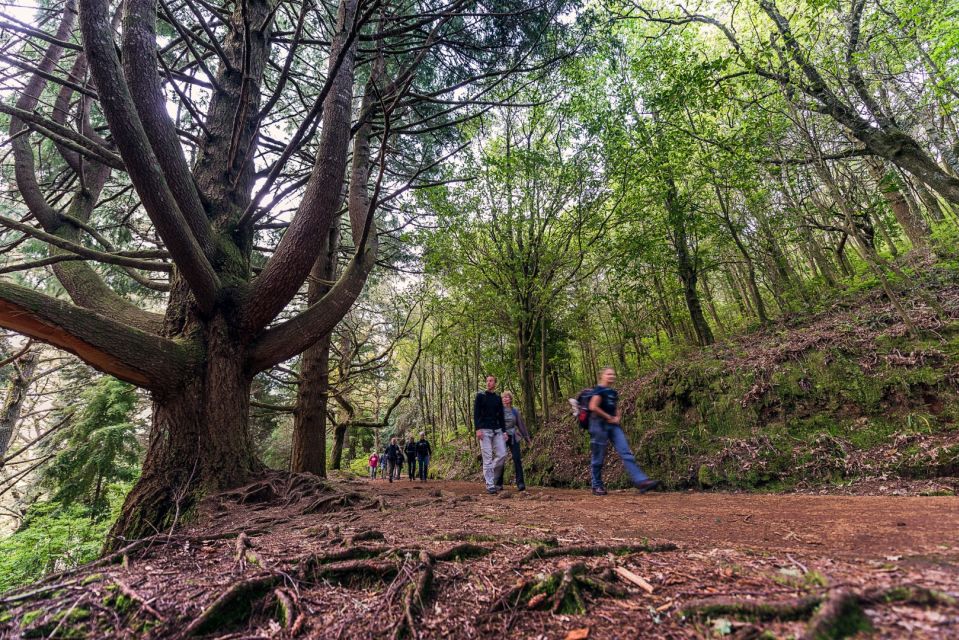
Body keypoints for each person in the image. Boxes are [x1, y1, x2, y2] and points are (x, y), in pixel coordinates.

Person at [587, 367, 659, 496]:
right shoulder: (598, 390)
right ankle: (596, 485)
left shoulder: (613, 392)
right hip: (598, 425)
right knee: (598, 457)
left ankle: (641, 481)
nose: (611, 376)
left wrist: (617, 417)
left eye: (613, 374)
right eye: (608, 374)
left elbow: (616, 407)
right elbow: (593, 407)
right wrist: (608, 417)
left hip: (613, 426)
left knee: (626, 452)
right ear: (602, 376)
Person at [474, 375, 508, 494]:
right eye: (487, 381)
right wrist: (477, 429)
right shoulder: (480, 396)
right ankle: (490, 485)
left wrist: (504, 431)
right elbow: (476, 413)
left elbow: (501, 416)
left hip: (497, 430)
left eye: (491, 381)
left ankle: (490, 474)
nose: (488, 383)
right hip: (484, 431)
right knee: (487, 458)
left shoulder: (498, 398)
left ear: (495, 383)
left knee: (502, 454)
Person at [494, 390, 531, 491]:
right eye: (503, 397)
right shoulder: (499, 410)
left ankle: (520, 483)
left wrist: (527, 438)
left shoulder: (515, 411)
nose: (505, 399)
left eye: (507, 397)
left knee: (517, 459)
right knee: (501, 459)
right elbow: (496, 423)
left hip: (514, 437)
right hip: (502, 437)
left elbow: (520, 424)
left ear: (510, 399)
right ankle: (498, 483)